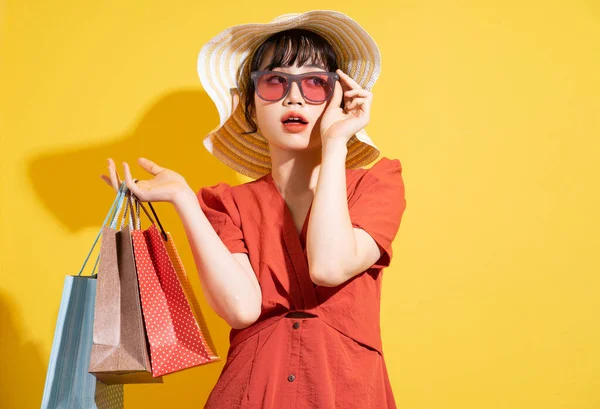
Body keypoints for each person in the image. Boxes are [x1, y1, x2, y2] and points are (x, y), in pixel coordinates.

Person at [101, 10, 407, 409]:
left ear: (341, 98)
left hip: (345, 391)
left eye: (315, 83)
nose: (293, 96)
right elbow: (242, 309)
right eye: (275, 81)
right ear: (249, 105)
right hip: (250, 393)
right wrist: (184, 200)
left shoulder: (376, 184)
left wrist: (337, 142)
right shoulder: (226, 204)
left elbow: (330, 266)